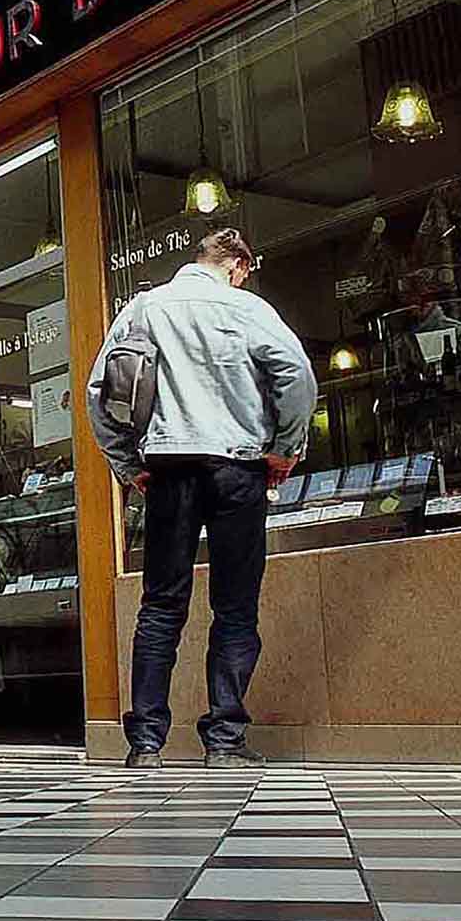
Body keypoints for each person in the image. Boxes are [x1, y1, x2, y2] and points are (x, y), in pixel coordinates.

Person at [89, 228, 317, 771]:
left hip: (168, 469)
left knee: (161, 604)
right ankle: (224, 740)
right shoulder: (245, 306)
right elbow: (297, 374)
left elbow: (101, 392)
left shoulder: (143, 309)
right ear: (238, 265)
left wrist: (128, 464)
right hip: (238, 466)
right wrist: (285, 449)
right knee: (235, 605)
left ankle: (145, 743)